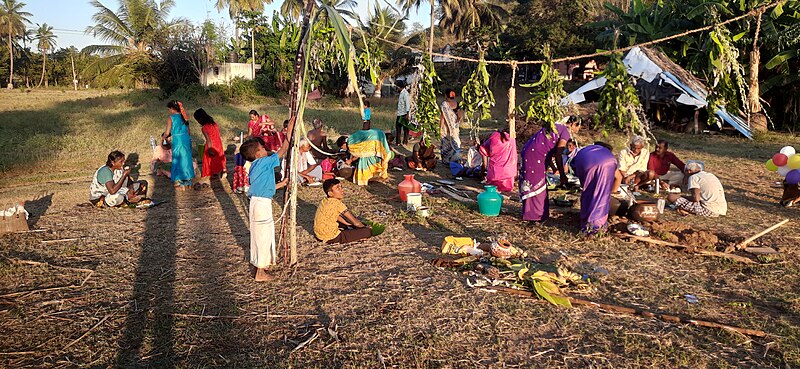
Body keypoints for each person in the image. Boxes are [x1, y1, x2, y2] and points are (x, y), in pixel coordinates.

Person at [239, 125, 293, 281]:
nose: (265, 150)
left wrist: (281, 184)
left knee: (261, 234)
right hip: (261, 204)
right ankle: (260, 272)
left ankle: (261, 264)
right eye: (262, 148)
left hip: (258, 203)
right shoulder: (263, 162)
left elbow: (264, 186)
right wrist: (288, 131)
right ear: (257, 153)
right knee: (262, 235)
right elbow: (283, 150)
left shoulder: (256, 166)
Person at [519, 118, 581, 222]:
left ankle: (530, 212)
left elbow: (547, 149)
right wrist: (562, 175)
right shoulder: (565, 131)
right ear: (572, 124)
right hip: (536, 156)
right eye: (578, 126)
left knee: (532, 182)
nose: (578, 129)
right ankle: (536, 216)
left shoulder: (554, 126)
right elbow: (558, 153)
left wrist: (553, 168)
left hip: (528, 152)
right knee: (538, 184)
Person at [572, 143, 617, 234]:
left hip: (584, 162)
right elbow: (618, 177)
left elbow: (577, 171)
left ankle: (586, 221)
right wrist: (611, 192)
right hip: (606, 163)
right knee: (601, 195)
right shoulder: (608, 155)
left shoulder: (586, 150)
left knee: (588, 192)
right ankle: (595, 227)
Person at [314, 178, 373, 244]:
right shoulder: (337, 203)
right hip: (332, 237)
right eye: (338, 188)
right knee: (367, 232)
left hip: (319, 235)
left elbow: (335, 216)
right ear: (330, 193)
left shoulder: (325, 201)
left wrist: (347, 224)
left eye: (341, 187)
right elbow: (355, 222)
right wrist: (364, 228)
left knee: (347, 224)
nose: (342, 190)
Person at [162, 100, 195, 189]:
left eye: (169, 109)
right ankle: (188, 181)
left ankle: (180, 181)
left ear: (172, 109)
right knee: (186, 158)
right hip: (186, 138)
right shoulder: (184, 117)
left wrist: (164, 137)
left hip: (177, 139)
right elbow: (188, 130)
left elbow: (167, 132)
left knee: (178, 158)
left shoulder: (171, 118)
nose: (169, 111)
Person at [480, 128, 517, 192]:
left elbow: (484, 150)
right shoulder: (512, 139)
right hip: (509, 173)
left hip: (495, 174)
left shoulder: (494, 137)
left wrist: (479, 147)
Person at [194, 108, 226, 180]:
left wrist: (209, 149)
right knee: (219, 158)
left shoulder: (204, 128)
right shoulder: (214, 124)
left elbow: (208, 140)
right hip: (218, 143)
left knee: (209, 160)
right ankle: (221, 171)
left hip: (211, 144)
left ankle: (212, 174)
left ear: (200, 119)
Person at [439, 88, 463, 163]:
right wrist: (456, 123)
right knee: (455, 141)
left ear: (446, 95)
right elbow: (459, 115)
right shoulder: (456, 104)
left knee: (446, 143)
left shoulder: (444, 105)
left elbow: (442, 118)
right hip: (455, 128)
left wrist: (441, 128)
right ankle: (455, 160)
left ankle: (446, 160)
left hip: (446, 128)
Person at [395, 80, 411, 145]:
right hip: (400, 113)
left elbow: (407, 104)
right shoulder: (401, 93)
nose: (396, 88)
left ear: (400, 87)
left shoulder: (405, 94)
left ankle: (405, 142)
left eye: (397, 87)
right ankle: (398, 142)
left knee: (405, 129)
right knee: (398, 128)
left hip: (404, 114)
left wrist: (407, 114)